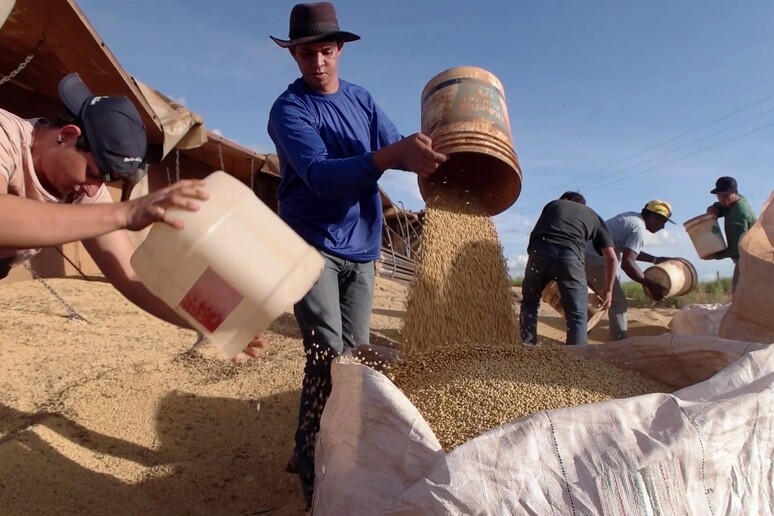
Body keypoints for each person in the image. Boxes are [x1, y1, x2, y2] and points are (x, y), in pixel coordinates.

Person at [267, 1, 447, 506]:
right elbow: (322, 177)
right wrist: (394, 155)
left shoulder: (362, 100)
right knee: (327, 356)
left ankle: (341, 451)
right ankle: (312, 467)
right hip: (311, 245)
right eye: (306, 53)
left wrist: (437, 159)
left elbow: (400, 147)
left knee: (360, 356)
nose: (317, 61)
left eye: (325, 50)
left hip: (363, 248)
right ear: (294, 55)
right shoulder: (290, 111)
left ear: (339, 49)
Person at [0, 73, 264, 358]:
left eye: (103, 182)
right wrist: (125, 212)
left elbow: (132, 276)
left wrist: (218, 323)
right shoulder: (6, 135)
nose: (92, 191)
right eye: (92, 174)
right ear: (67, 135)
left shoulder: (83, 193)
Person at [520, 192, 617, 346]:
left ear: (564, 200)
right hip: (570, 256)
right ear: (582, 205)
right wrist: (608, 290)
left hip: (539, 251)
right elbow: (611, 257)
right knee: (577, 315)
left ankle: (528, 347)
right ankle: (574, 361)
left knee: (530, 303)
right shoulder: (593, 216)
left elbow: (537, 234)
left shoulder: (553, 205)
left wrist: (541, 270)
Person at [584, 200, 674, 341]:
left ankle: (577, 338)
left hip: (585, 256)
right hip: (596, 260)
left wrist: (655, 260)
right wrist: (650, 284)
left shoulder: (632, 218)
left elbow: (630, 251)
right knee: (617, 302)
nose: (662, 227)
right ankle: (618, 346)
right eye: (662, 221)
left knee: (599, 301)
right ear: (653, 216)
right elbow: (628, 263)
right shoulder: (639, 228)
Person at [704, 176, 757, 293]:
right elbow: (723, 206)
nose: (722, 199)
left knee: (738, 295)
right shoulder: (736, 200)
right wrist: (713, 208)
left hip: (748, 259)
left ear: (735, 193)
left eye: (725, 195)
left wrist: (714, 255)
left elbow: (737, 248)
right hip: (747, 257)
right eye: (719, 195)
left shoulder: (739, 213)